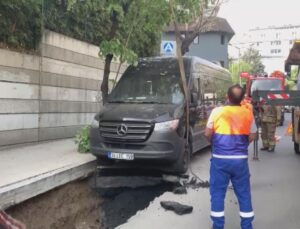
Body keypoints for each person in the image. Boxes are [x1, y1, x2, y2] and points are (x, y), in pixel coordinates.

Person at [205, 85, 257, 229]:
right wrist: (241, 146)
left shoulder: (217, 112)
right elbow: (253, 135)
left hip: (219, 161)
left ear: (228, 97)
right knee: (244, 194)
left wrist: (215, 144)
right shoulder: (248, 113)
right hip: (240, 161)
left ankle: (218, 226)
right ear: (242, 99)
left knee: (217, 194)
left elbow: (207, 134)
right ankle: (247, 226)